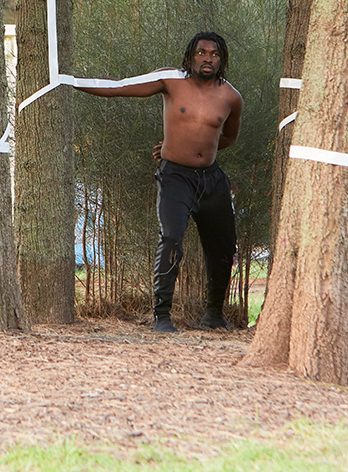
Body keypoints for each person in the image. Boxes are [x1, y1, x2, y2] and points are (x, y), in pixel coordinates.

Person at [76, 32, 243, 332]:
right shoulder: (171, 80)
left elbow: (228, 137)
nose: (208, 58)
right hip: (175, 176)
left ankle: (214, 315)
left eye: (214, 54)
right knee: (172, 238)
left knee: (224, 245)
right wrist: (70, 81)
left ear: (222, 59)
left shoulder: (231, 97)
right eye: (201, 52)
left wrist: (197, 148)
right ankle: (162, 317)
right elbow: (118, 88)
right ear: (191, 56)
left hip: (212, 179)